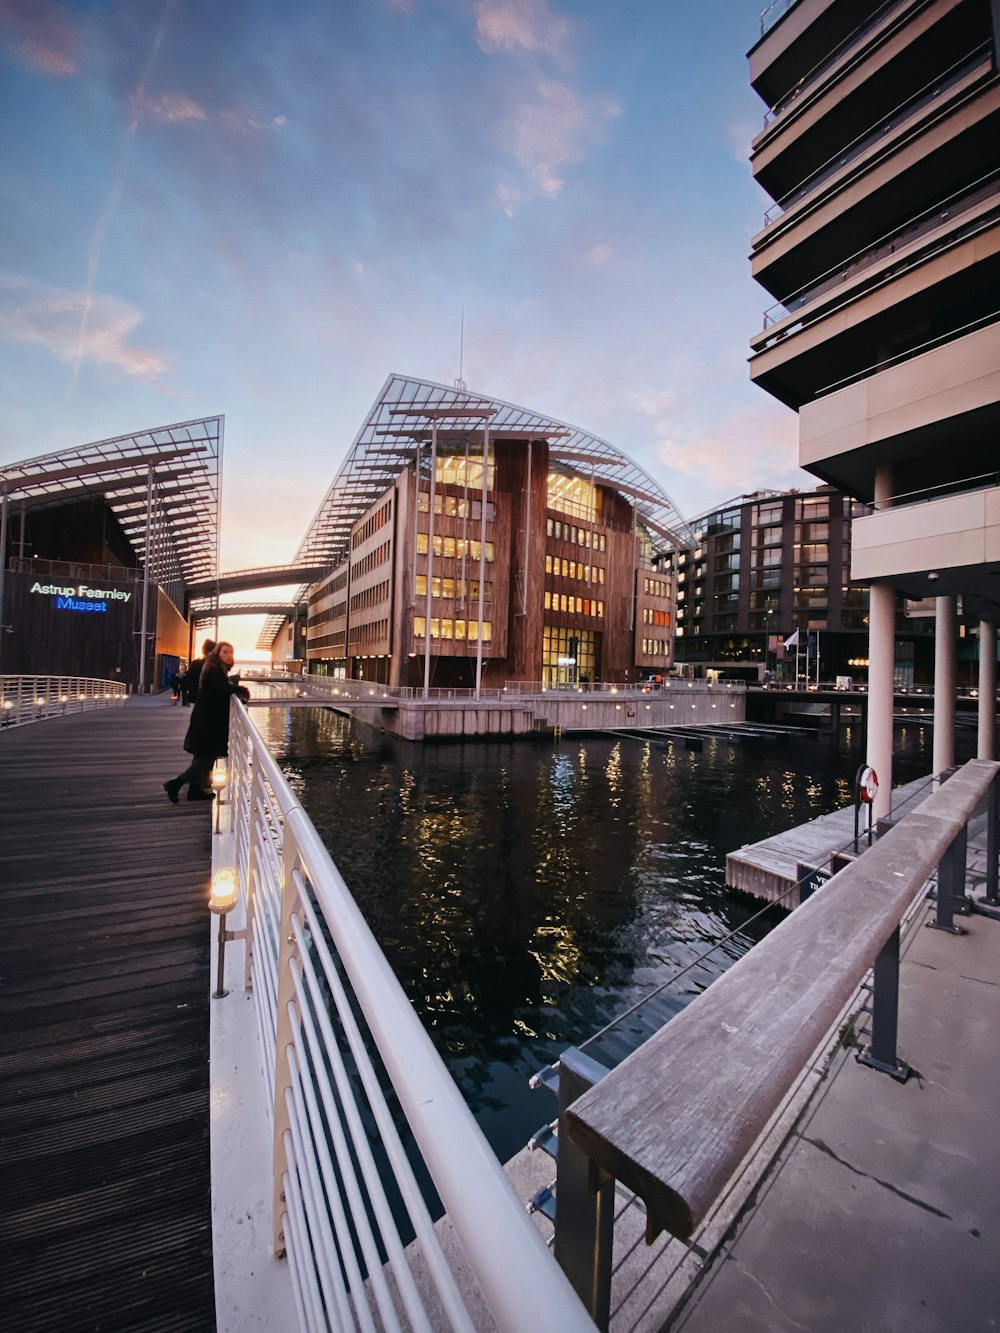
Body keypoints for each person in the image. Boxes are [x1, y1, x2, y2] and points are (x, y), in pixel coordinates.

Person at [164, 642, 249, 803]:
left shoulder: (215, 668)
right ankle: (176, 783)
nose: (228, 655)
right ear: (217, 653)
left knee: (201, 756)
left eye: (231, 652)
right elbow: (222, 689)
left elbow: (221, 687)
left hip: (206, 718)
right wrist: (241, 690)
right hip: (209, 721)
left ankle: (194, 791)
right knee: (207, 757)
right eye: (225, 652)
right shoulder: (214, 669)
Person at [180, 638, 216, 707]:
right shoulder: (213, 665)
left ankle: (185, 702)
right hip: (208, 699)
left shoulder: (195, 663)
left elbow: (190, 679)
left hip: (196, 697)